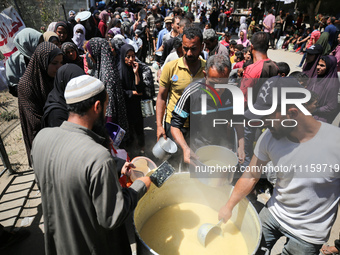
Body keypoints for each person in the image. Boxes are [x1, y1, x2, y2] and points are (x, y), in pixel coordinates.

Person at [218, 77, 340, 255]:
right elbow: (251, 175)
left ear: (291, 113)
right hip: (274, 213)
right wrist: (228, 206)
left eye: (266, 117)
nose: (262, 123)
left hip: (308, 234)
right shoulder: (269, 137)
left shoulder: (335, 142)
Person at [31, 75, 151, 255]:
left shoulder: (41, 138)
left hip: (58, 242)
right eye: (105, 107)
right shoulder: (98, 157)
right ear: (97, 106)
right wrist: (142, 184)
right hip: (90, 246)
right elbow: (112, 216)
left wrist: (115, 167)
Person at [170, 54, 245, 164]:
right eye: (213, 83)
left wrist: (241, 146)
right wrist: (185, 148)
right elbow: (175, 126)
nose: (217, 90)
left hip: (223, 151)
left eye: (223, 83)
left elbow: (238, 121)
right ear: (205, 75)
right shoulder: (191, 93)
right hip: (198, 153)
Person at [18, 42, 63, 165]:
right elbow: (35, 122)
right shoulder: (26, 85)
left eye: (61, 62)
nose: (59, 67)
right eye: (54, 63)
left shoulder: (53, 79)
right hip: (42, 140)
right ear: (42, 62)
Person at [157, 26, 205, 141]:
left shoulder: (208, 69)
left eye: (193, 49)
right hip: (174, 125)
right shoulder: (170, 67)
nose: (188, 53)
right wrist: (159, 126)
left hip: (198, 127)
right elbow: (161, 97)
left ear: (202, 47)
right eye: (185, 48)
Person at [239, 32, 278, 167]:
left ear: (251, 46)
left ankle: (245, 180)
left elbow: (243, 98)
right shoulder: (275, 66)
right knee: (259, 149)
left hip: (249, 117)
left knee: (245, 151)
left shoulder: (252, 69)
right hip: (266, 116)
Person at [87, 37, 129, 136]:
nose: (89, 55)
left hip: (108, 124)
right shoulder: (102, 67)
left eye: (90, 51)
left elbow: (109, 107)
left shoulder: (107, 74)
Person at [120, 44, 151, 156]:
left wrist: (136, 73)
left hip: (136, 105)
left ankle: (141, 151)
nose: (131, 59)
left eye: (133, 56)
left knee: (138, 128)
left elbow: (140, 88)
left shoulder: (137, 68)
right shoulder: (119, 70)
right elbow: (118, 91)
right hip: (125, 107)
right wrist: (131, 92)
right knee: (129, 131)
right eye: (128, 56)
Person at [5, 28, 43, 97]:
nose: (41, 46)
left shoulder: (43, 56)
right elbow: (13, 88)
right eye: (37, 43)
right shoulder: (13, 61)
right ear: (27, 44)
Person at [307, 55, 340, 123]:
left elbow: (331, 107)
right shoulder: (316, 78)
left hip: (319, 118)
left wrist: (315, 110)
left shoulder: (332, 85)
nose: (318, 67)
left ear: (329, 68)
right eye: (318, 64)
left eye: (322, 65)